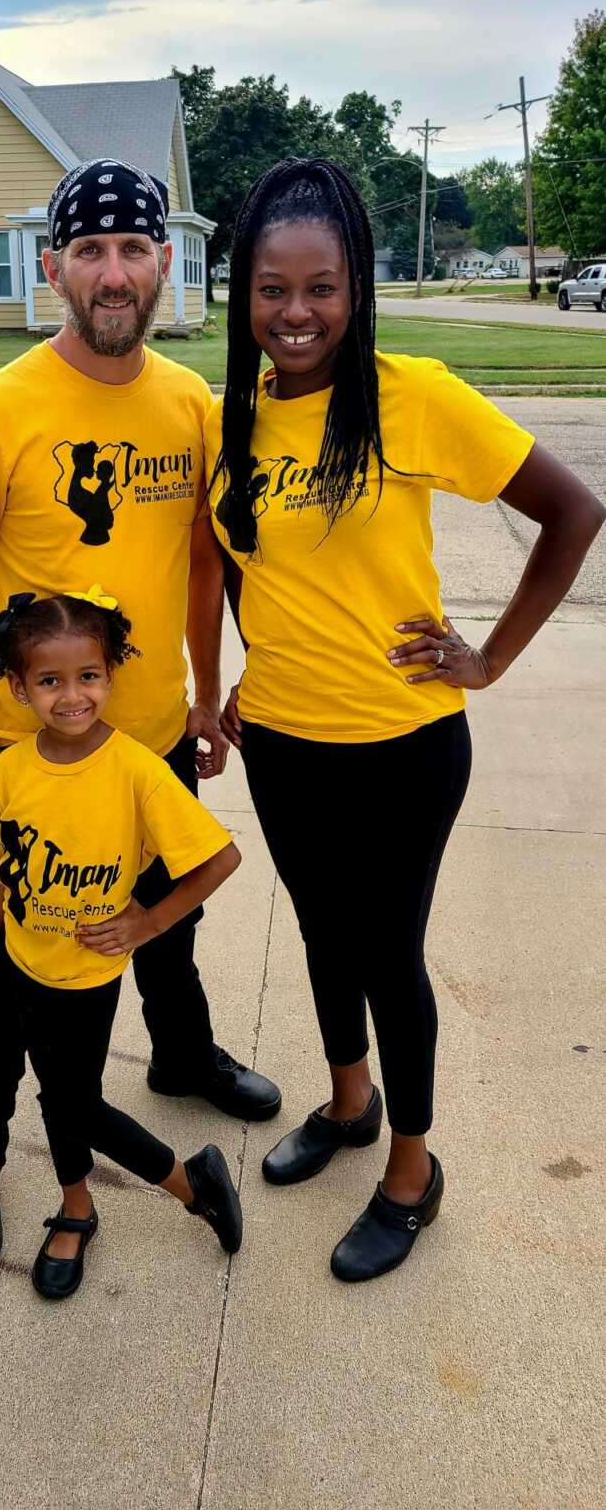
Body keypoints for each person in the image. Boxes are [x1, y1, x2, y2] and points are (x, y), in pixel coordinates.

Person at [207, 156, 604, 1283]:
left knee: (388, 953)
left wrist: (487, 658)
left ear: (357, 287)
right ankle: (350, 1104)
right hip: (282, 739)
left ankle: (415, 1173)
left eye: (321, 288)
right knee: (324, 934)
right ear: (245, 292)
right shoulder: (236, 417)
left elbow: (575, 513)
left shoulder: (411, 394)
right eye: (273, 289)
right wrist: (253, 666)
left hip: (401, 746)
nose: (296, 314)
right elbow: (248, 565)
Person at [0, 156, 280, 1270]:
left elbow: (202, 570)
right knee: (14, 976)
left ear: (166, 263)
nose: (113, 272)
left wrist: (207, 696)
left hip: (156, 732)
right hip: (40, 748)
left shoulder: (191, 405)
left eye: (133, 249)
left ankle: (185, 1058)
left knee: (166, 918)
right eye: (90, 251)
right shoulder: (0, 407)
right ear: (54, 267)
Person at [0, 589, 243, 1300]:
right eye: (50, 681)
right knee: (57, 1097)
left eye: (89, 677)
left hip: (87, 978)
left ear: (111, 674)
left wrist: (149, 923)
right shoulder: (10, 770)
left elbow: (218, 859)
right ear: (18, 687)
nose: (73, 696)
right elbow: (2, 874)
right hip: (21, 964)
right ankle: (76, 1208)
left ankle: (194, 1184)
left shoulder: (135, 770)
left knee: (76, 1106)